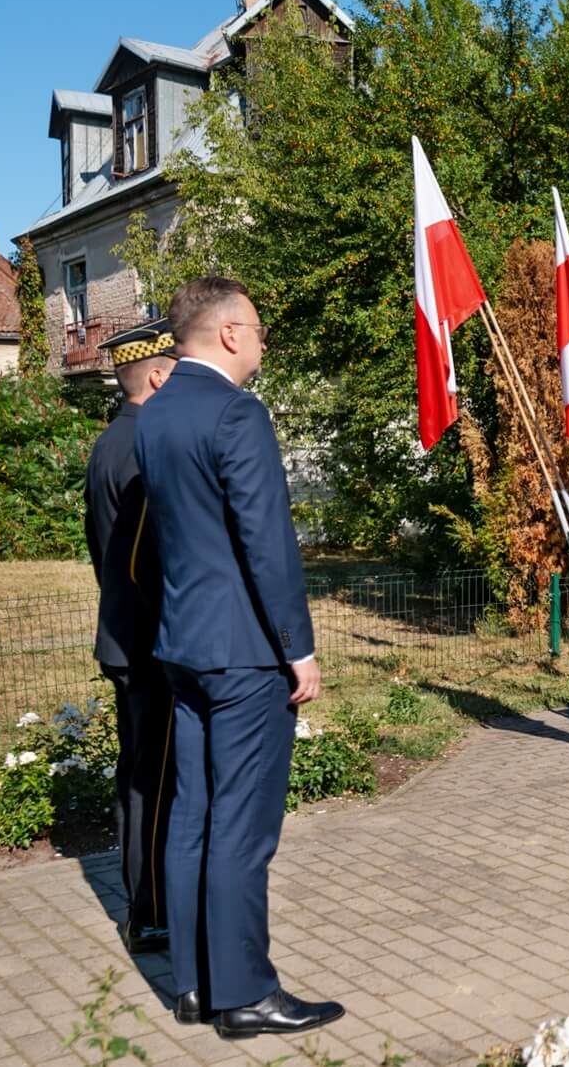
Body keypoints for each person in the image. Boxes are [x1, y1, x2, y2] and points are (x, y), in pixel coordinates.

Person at [134, 277, 341, 1040]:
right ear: (227, 333)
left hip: (183, 645)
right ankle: (246, 994)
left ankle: (194, 984)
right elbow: (267, 543)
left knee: (192, 813)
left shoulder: (154, 413)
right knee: (242, 828)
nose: (261, 341)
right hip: (245, 654)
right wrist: (299, 649)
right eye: (255, 328)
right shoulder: (236, 412)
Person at [84, 318, 179, 956]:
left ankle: (146, 903)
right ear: (158, 375)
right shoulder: (148, 445)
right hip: (153, 642)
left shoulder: (111, 441)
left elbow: (104, 551)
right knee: (156, 780)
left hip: (125, 635)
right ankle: (151, 913)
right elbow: (152, 561)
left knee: (139, 773)